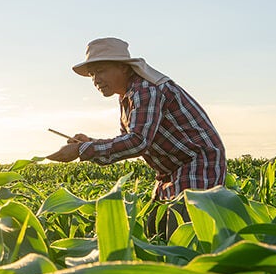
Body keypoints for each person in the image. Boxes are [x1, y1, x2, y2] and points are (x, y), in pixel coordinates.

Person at [46, 37, 227, 238]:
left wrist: (82, 150)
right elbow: (127, 139)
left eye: (101, 70)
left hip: (197, 163)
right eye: (92, 74)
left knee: (181, 232)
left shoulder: (145, 89)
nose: (96, 80)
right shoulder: (127, 96)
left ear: (124, 68)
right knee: (155, 229)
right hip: (170, 171)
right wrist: (89, 142)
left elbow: (138, 142)